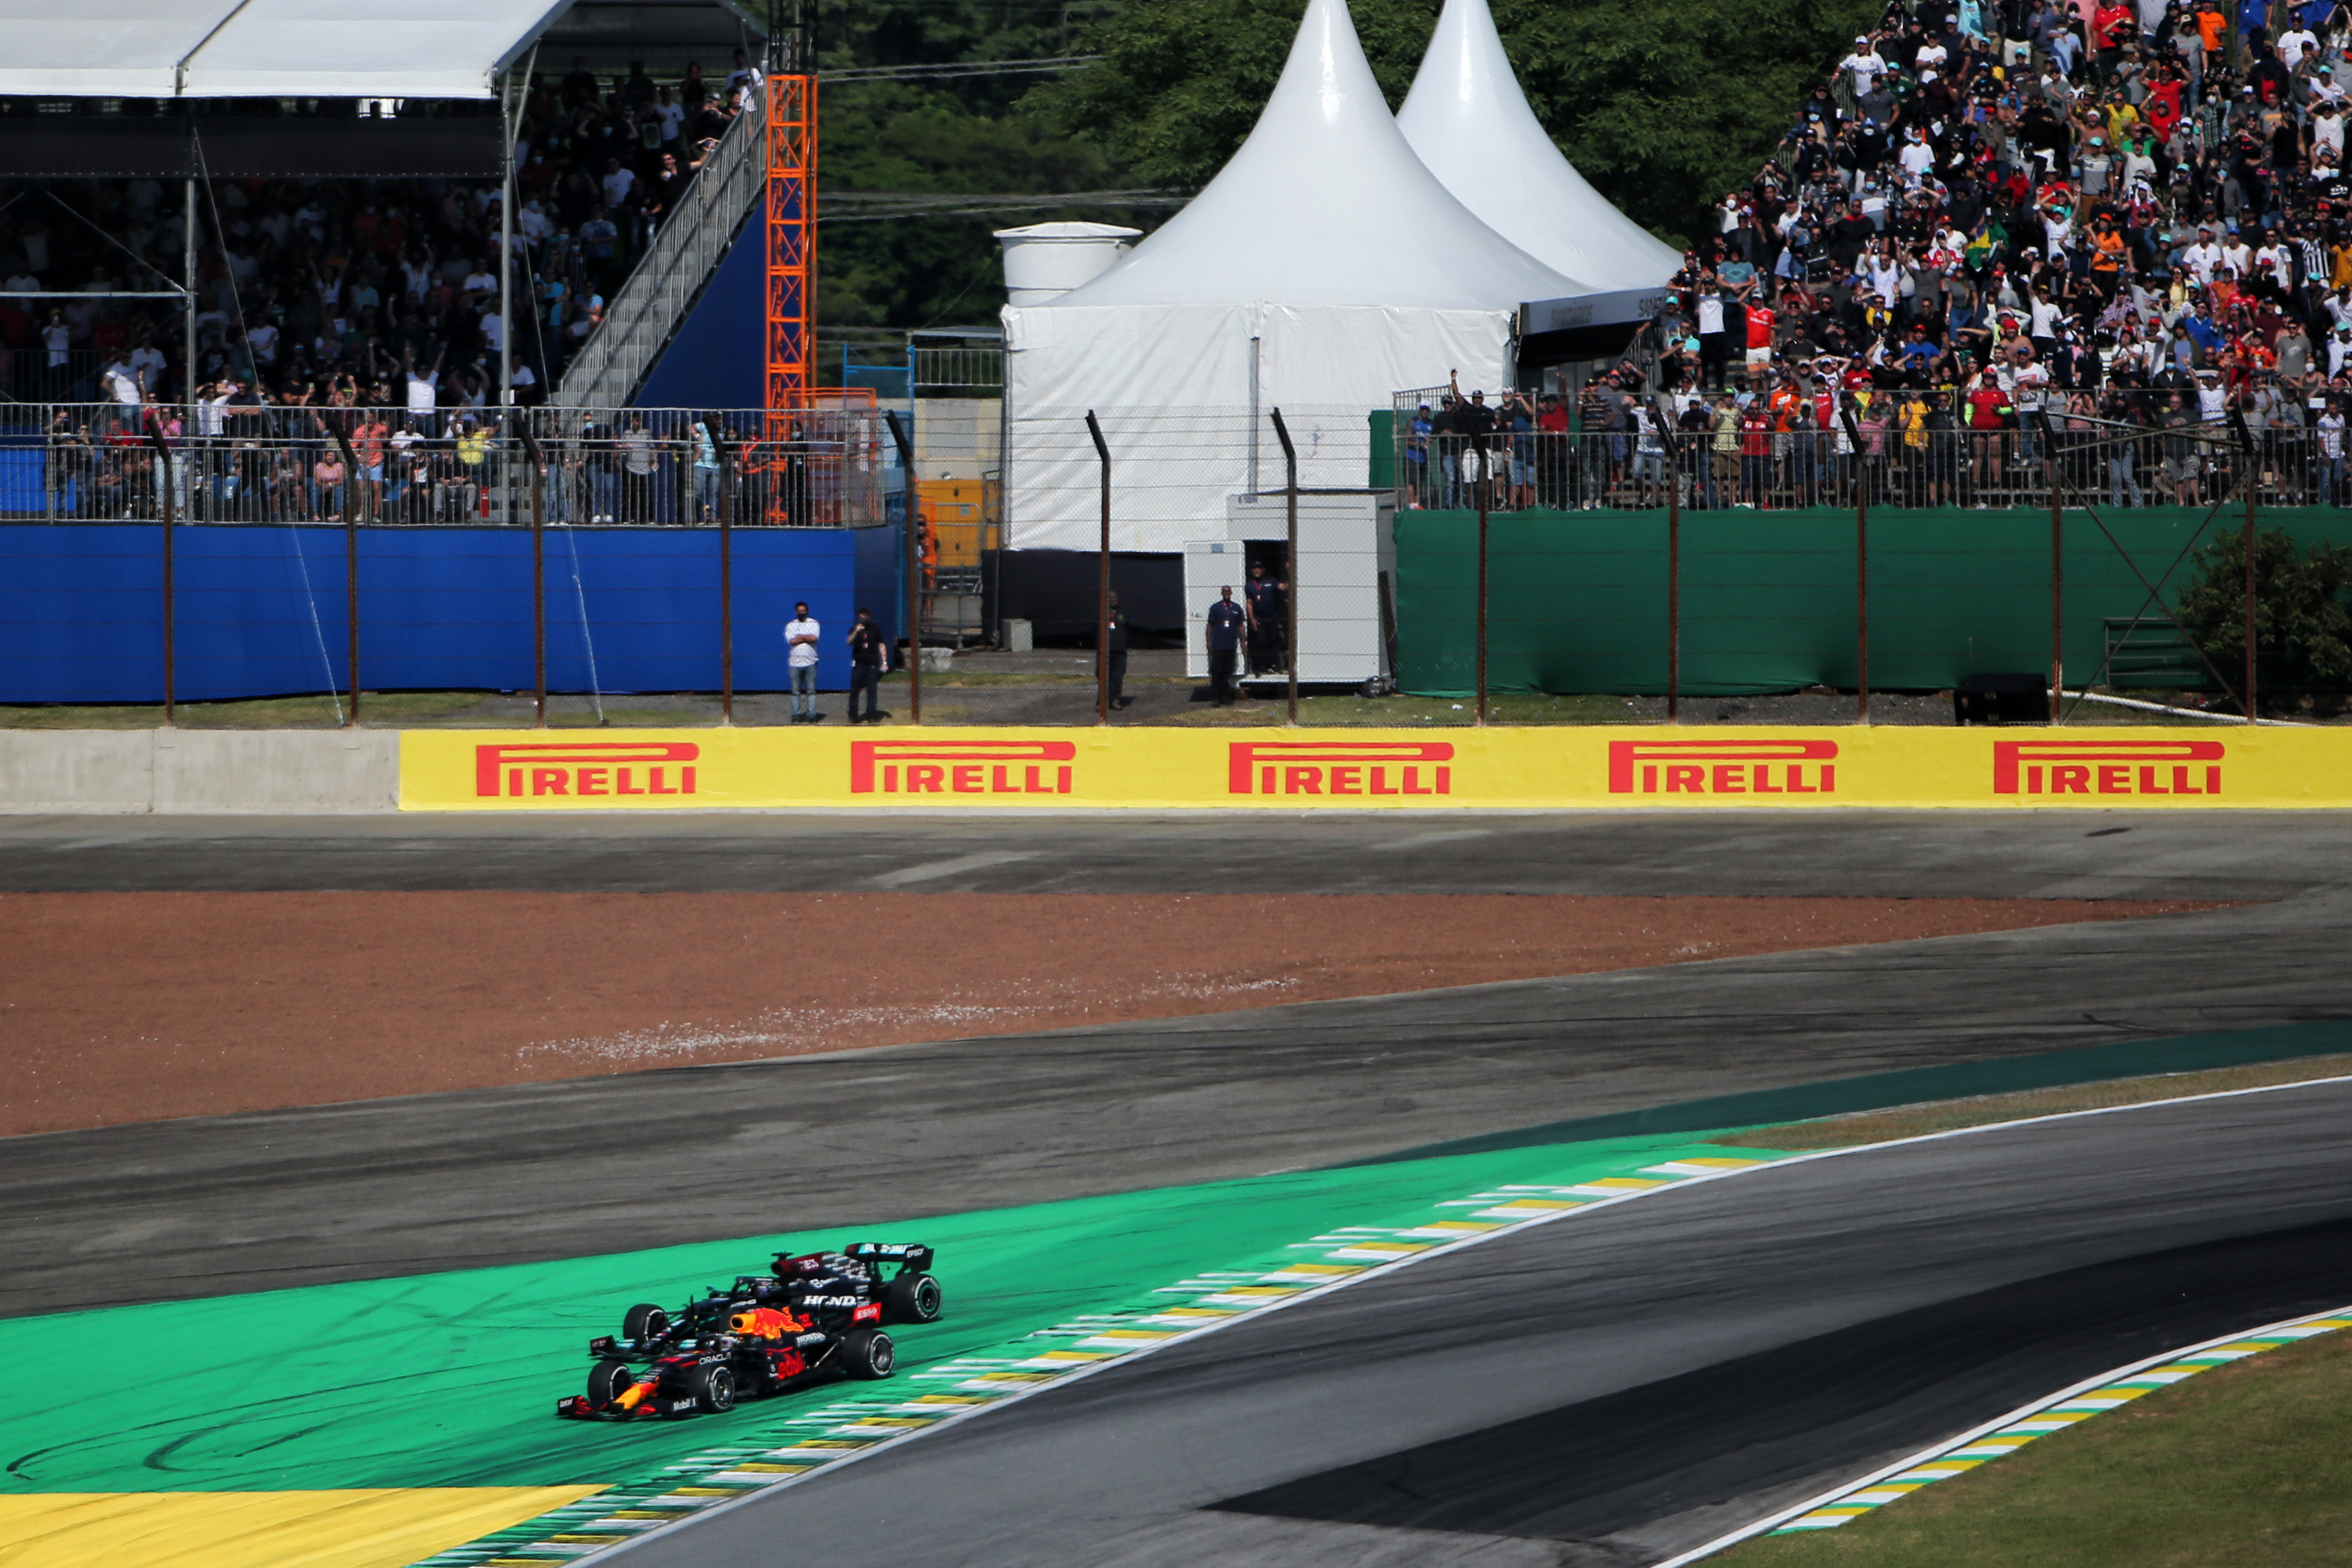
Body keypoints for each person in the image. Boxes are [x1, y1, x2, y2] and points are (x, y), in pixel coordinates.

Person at [1204, 584, 1246, 705]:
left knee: (1228, 671)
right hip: (1218, 646)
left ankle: (1225, 696)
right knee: (1217, 671)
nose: (1227, 593)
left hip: (1231, 646)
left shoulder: (1237, 608)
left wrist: (1243, 641)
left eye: (1228, 591)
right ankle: (1215, 697)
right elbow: (1210, 625)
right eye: (1225, 592)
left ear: (1231, 593)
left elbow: (1241, 626)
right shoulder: (1216, 608)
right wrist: (1209, 641)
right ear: (1222, 593)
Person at [1243, 560, 1286, 676]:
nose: (1257, 570)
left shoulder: (1271, 581)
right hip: (1259, 619)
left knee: (1273, 641)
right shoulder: (1250, 585)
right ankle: (1261, 667)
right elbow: (1249, 603)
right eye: (1255, 568)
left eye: (1259, 568)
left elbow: (1282, 587)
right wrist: (1252, 619)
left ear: (1263, 570)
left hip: (1272, 617)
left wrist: (1289, 573)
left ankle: (1274, 666)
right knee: (1261, 643)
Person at [844, 606, 886, 725]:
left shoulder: (875, 629)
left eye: (865, 617)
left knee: (872, 690)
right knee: (855, 690)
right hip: (858, 663)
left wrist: (885, 662)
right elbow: (849, 642)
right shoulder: (855, 629)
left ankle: (871, 715)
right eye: (861, 617)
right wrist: (856, 631)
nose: (863, 619)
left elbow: (881, 645)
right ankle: (853, 716)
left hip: (872, 663)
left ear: (869, 617)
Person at [785, 600, 822, 723]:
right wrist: (806, 638)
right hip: (795, 663)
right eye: (800, 611)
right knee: (796, 691)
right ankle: (796, 715)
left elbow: (815, 638)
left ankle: (811, 715)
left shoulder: (814, 623)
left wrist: (801, 637)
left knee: (811, 690)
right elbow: (792, 641)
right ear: (796, 612)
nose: (802, 613)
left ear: (807, 611)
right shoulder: (791, 625)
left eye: (804, 611)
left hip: (811, 662)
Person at [1105, 590, 1132, 710]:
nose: (1114, 599)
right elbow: (1094, 627)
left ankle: (1115, 699)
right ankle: (1102, 702)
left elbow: (1128, 626)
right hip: (1104, 651)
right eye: (1111, 597)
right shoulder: (1101, 612)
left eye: (1115, 597)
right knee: (1102, 676)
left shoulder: (1123, 612)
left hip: (1120, 651)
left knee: (1117, 676)